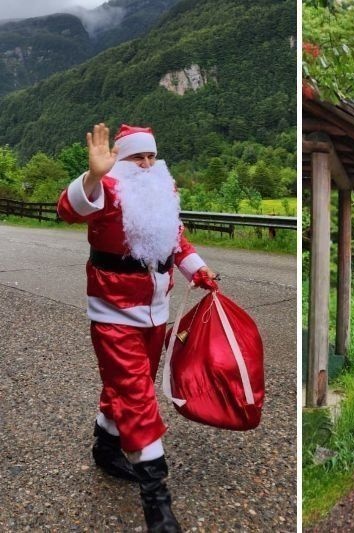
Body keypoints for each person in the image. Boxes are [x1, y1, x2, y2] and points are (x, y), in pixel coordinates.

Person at [57, 123, 218, 532]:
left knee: (133, 383)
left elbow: (176, 241)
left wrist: (197, 271)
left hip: (155, 312)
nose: (146, 164)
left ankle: (106, 447)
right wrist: (93, 175)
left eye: (150, 156)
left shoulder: (163, 191)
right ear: (121, 161)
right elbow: (68, 209)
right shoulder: (108, 191)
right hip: (113, 312)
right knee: (137, 395)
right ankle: (157, 505)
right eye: (136, 158)